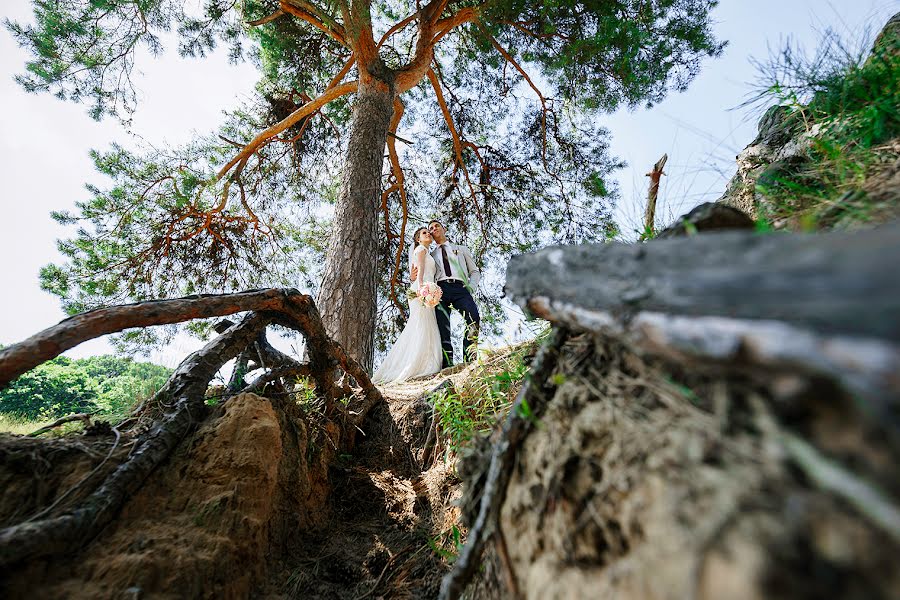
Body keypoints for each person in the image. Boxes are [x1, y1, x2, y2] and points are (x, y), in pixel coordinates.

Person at [372, 227, 443, 383]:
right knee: (421, 325)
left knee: (425, 324)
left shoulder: (426, 252)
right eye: (424, 233)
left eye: (428, 232)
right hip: (421, 290)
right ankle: (417, 364)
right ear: (418, 239)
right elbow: (421, 272)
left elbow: (418, 272)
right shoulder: (421, 250)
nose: (428, 234)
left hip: (425, 290)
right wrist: (422, 288)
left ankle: (425, 362)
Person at [413, 220, 480, 367]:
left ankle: (469, 360)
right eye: (430, 228)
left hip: (461, 289)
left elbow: (474, 271)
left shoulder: (461, 249)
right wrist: (414, 276)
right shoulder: (429, 254)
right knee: (443, 327)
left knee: (473, 317)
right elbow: (419, 270)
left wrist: (471, 287)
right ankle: (447, 364)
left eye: (437, 225)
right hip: (440, 290)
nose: (434, 229)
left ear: (444, 228)